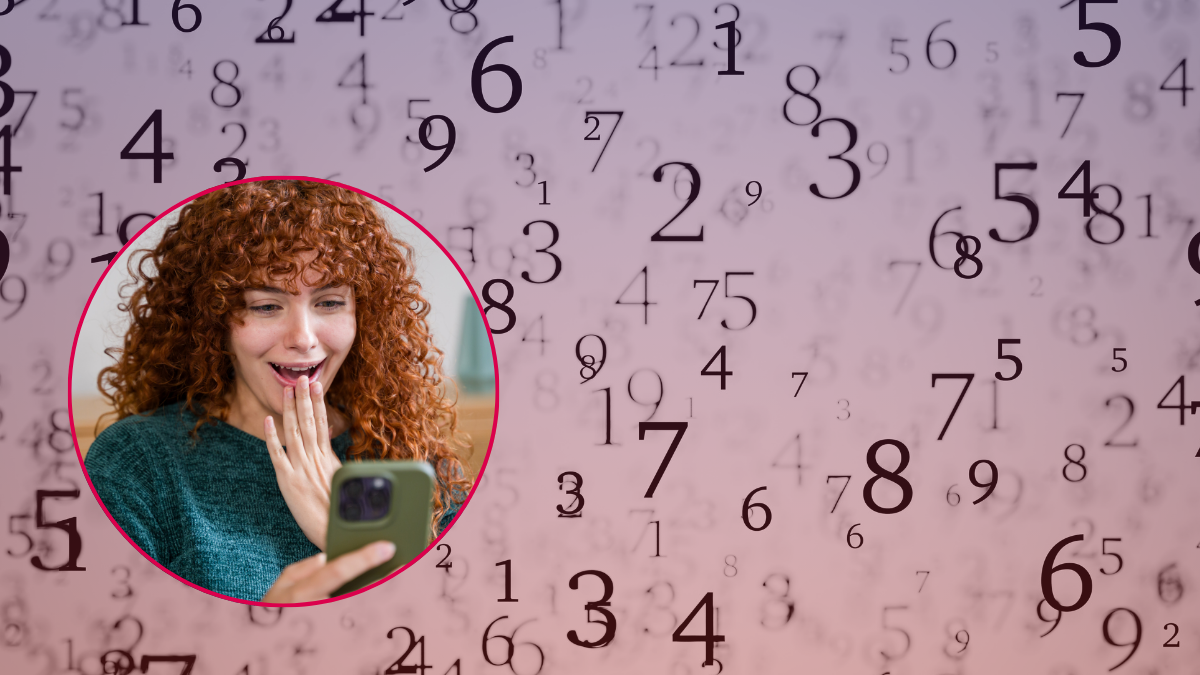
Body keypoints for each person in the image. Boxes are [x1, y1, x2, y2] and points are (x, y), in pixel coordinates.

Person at [83, 179, 472, 603]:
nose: (303, 338)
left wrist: (343, 539)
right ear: (215, 320)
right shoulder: (137, 464)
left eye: (329, 303)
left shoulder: (411, 459)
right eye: (266, 306)